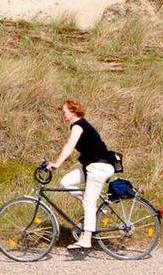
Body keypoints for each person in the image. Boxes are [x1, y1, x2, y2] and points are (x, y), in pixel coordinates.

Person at [46, 98, 114, 251]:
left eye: (65, 112)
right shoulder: (77, 125)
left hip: (99, 167)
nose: (63, 114)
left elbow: (69, 146)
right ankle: (87, 203)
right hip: (90, 166)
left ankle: (86, 239)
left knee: (89, 202)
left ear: (73, 111)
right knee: (66, 182)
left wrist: (56, 164)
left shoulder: (78, 126)